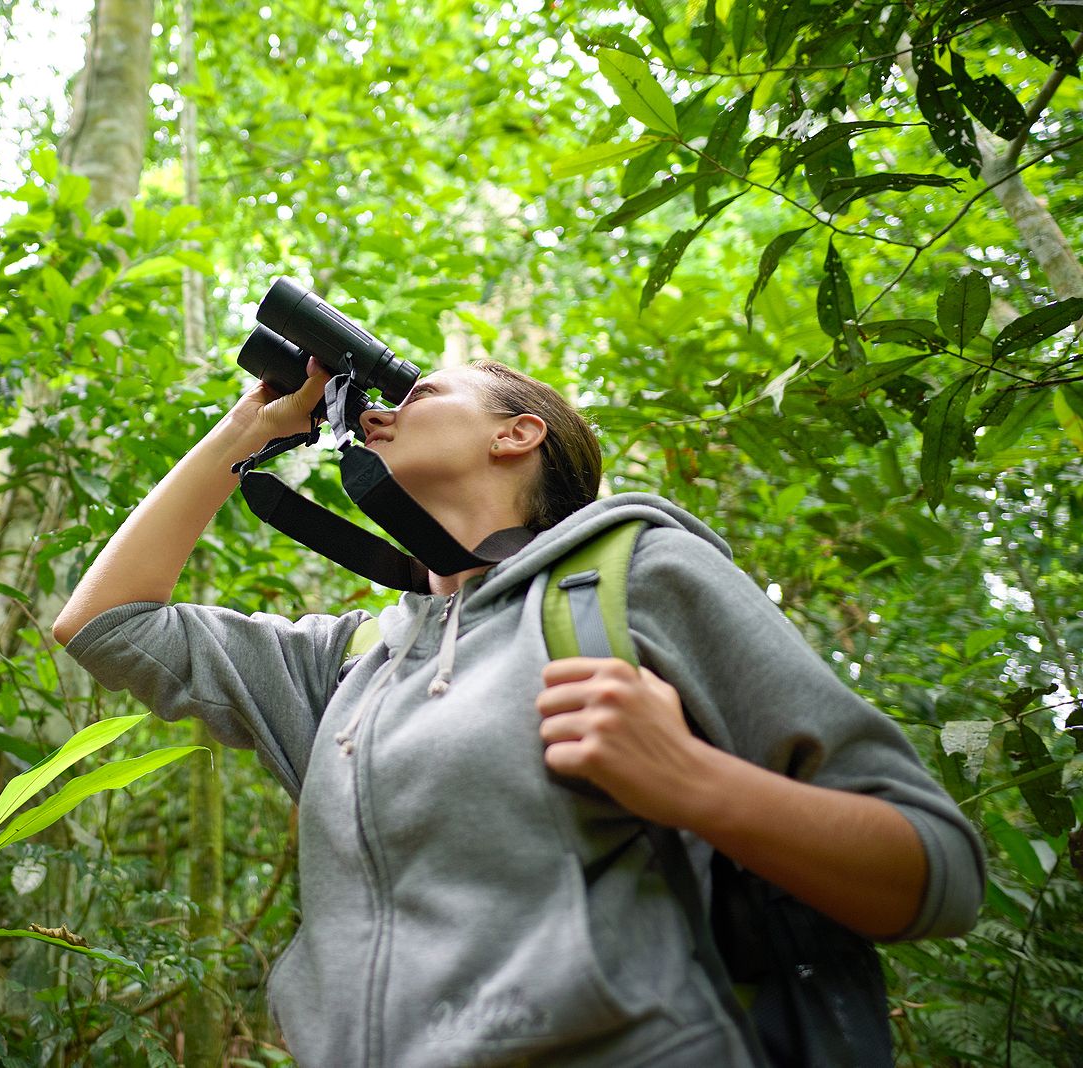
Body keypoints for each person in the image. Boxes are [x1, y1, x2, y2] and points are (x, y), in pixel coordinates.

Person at [51, 357, 983, 1068]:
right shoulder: (351, 665)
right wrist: (242, 435)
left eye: (418, 393)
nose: (379, 409)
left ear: (518, 433)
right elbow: (104, 624)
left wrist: (693, 780)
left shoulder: (638, 577)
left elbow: (933, 874)